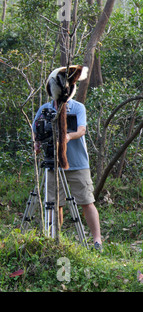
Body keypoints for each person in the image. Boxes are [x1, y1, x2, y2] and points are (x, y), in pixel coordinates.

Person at [33, 97, 103, 251]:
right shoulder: (45, 109)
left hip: (78, 164)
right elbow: (36, 129)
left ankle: (97, 241)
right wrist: (36, 143)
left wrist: (68, 136)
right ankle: (54, 241)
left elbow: (81, 130)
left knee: (86, 201)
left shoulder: (78, 107)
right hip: (54, 163)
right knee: (54, 204)